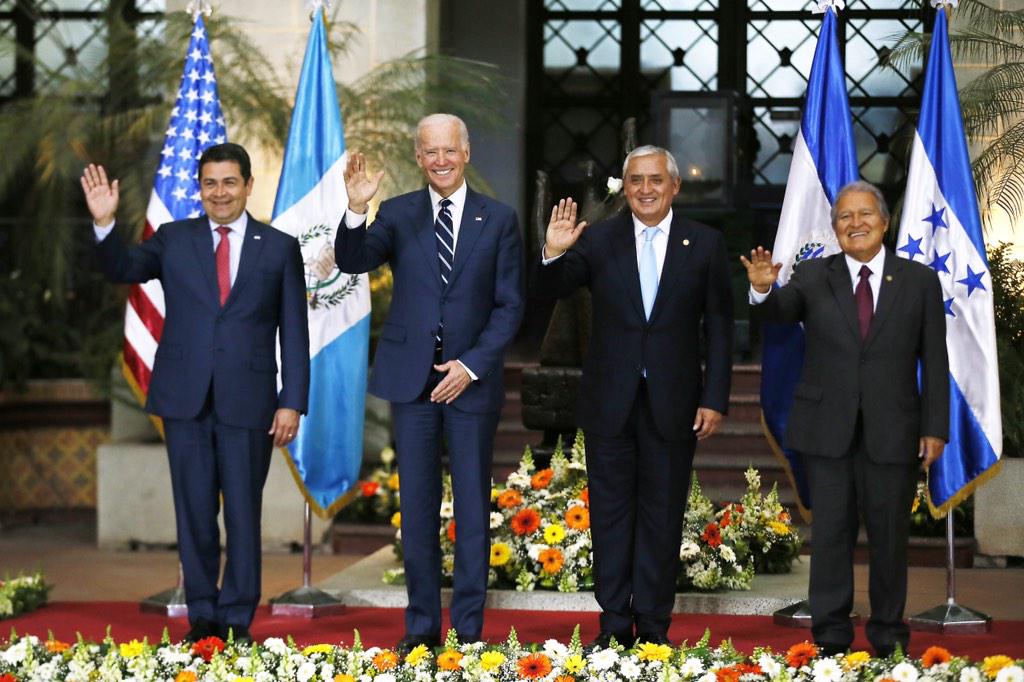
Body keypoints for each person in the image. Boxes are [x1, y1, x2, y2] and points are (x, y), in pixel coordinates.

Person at [81, 143, 310, 643]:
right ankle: (203, 615)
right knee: (195, 514)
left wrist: (292, 400)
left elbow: (295, 330)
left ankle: (237, 618)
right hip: (185, 400)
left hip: (249, 402)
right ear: (199, 188)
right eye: (210, 183)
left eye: (229, 182)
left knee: (243, 516)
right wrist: (104, 223)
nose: (219, 192)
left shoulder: (278, 247)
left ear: (248, 185)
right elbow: (122, 267)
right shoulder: (173, 239)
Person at [335, 113, 524, 652]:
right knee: (417, 510)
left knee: (471, 507)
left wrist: (470, 366)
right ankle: (420, 629)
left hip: (470, 384)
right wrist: (356, 209)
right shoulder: (397, 213)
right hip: (411, 384)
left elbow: (510, 306)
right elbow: (353, 260)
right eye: (430, 152)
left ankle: (467, 633)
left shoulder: (499, 219)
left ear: (466, 153)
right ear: (418, 158)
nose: (441, 160)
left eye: (449, 150)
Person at [533, 145, 733, 647]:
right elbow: (550, 290)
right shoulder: (599, 238)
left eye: (656, 180)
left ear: (674, 186)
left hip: (675, 404)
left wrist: (715, 397)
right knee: (610, 516)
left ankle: (655, 628)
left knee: (662, 518)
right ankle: (615, 625)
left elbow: (721, 327)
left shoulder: (704, 243)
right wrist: (553, 252)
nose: (646, 189)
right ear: (625, 188)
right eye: (636, 180)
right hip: (610, 403)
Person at [741, 180, 949, 657]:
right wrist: (762, 288)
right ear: (834, 227)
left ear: (885, 222)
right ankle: (831, 638)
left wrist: (934, 428)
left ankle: (888, 638)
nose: (856, 223)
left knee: (889, 541)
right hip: (826, 432)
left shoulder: (918, 280)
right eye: (844, 217)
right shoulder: (815, 274)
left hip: (893, 431)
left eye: (865, 214)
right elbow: (780, 311)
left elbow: (935, 360)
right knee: (831, 539)